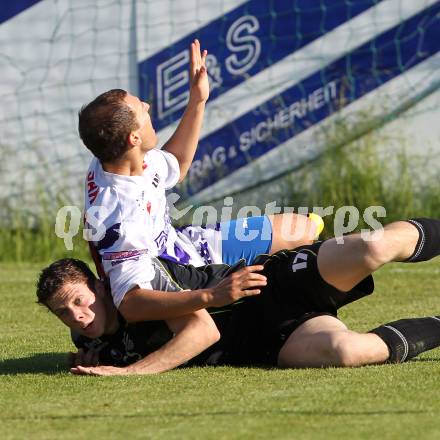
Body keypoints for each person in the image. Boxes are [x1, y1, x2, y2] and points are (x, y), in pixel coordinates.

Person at [78, 39, 321, 319]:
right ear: (133, 138)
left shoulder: (116, 158)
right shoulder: (122, 217)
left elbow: (177, 165)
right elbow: (130, 302)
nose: (147, 105)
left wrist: (197, 100)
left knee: (301, 229)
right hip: (181, 276)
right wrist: (209, 296)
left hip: (184, 243)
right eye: (141, 109)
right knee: (291, 261)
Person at [36, 217, 440, 375]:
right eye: (63, 312)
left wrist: (129, 372)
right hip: (266, 342)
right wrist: (88, 356)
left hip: (269, 283)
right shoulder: (88, 340)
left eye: (80, 299)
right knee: (347, 352)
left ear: (102, 287)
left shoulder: (141, 286)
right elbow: (88, 345)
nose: (77, 315)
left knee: (373, 248)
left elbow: (202, 333)